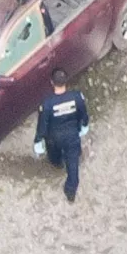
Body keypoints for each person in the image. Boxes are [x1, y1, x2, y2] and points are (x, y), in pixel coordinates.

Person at [33, 68, 90, 203]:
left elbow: (42, 125)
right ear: (66, 81)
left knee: (54, 156)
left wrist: (38, 140)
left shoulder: (47, 103)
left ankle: (56, 164)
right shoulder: (77, 97)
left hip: (54, 138)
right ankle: (70, 193)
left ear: (52, 82)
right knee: (73, 166)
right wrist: (84, 126)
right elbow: (84, 114)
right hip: (72, 136)